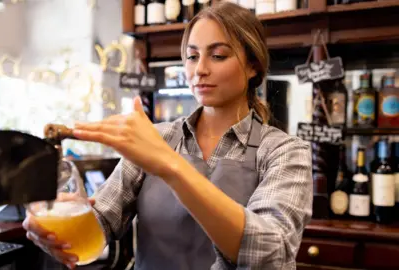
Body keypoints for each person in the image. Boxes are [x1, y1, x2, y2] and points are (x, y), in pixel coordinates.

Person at [23, 2, 313, 269]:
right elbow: (102, 219)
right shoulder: (157, 138)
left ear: (253, 66)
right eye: (192, 56)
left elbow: (269, 253)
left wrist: (171, 166)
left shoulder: (284, 151)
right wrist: (60, 225)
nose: (200, 69)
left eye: (218, 55)